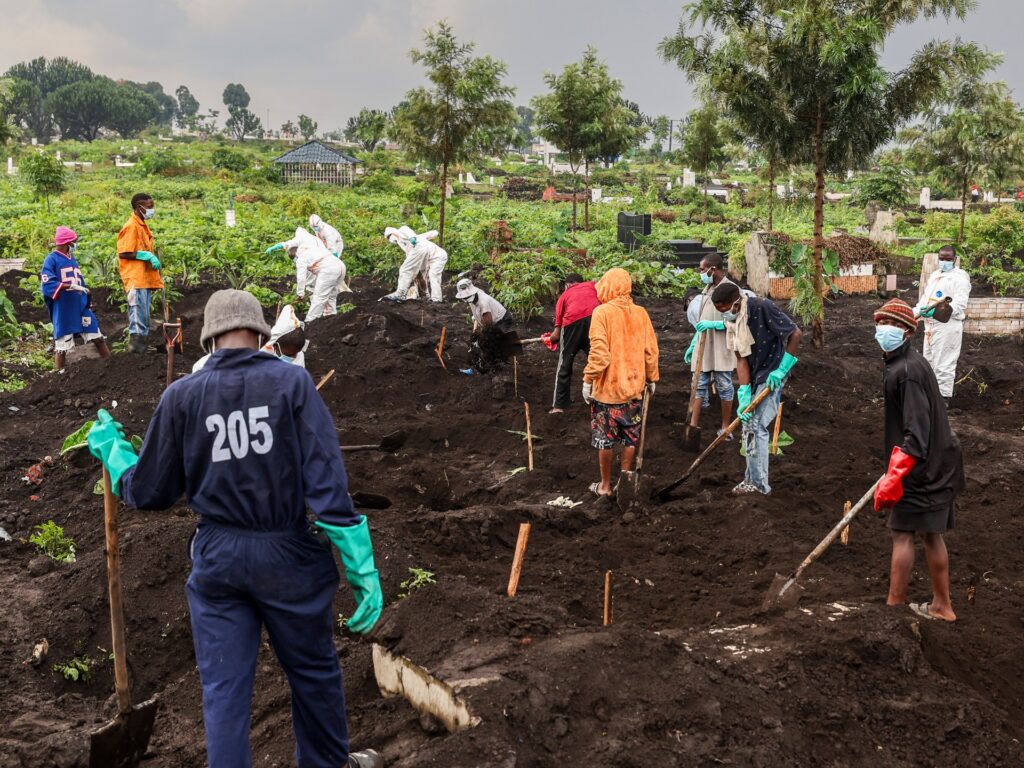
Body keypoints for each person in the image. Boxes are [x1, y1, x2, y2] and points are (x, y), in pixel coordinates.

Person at [86, 289, 384, 768]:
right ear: (263, 334)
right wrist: (360, 566)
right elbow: (327, 482)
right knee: (313, 673)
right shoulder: (293, 384)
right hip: (287, 554)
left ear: (208, 342)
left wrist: (116, 454)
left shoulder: (181, 396)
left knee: (224, 690)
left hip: (219, 559)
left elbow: (151, 491)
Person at [872, 298, 964, 622]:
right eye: (884, 323)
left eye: (896, 326)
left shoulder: (905, 371)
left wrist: (894, 475)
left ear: (909, 333)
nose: (888, 330)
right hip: (938, 461)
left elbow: (917, 434)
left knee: (902, 533)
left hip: (921, 467)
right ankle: (942, 606)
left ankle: (893, 611)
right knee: (930, 534)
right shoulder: (907, 363)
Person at [711, 281, 801, 495]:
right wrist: (743, 396)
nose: (724, 315)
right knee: (748, 424)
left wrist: (782, 369)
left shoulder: (762, 307)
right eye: (719, 311)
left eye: (724, 309)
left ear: (736, 302)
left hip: (773, 371)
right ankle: (750, 479)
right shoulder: (733, 323)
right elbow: (741, 359)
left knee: (758, 425)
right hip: (753, 374)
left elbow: (795, 333)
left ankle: (760, 486)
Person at [581, 268, 659, 498]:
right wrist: (651, 377)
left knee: (604, 439)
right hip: (634, 388)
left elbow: (600, 354)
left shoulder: (601, 313)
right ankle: (624, 484)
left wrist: (588, 379)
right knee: (630, 437)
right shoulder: (641, 313)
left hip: (608, 390)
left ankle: (605, 486)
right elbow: (650, 351)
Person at [40, 226, 110, 371]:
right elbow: (48, 283)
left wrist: (85, 297)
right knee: (62, 344)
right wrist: (69, 286)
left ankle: (110, 365)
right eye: (74, 242)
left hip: (79, 304)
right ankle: (59, 374)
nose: (75, 245)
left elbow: (79, 281)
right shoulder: (51, 260)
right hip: (64, 306)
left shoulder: (72, 259)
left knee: (96, 334)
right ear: (68, 243)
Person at [684, 254, 738, 439]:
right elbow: (701, 319)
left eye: (702, 269)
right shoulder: (707, 290)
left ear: (713, 269)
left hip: (722, 347)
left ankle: (725, 427)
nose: (701, 273)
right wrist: (693, 344)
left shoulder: (731, 290)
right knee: (698, 385)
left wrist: (715, 325)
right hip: (704, 346)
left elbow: (739, 322)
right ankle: (692, 426)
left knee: (724, 385)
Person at [914, 245, 971, 401]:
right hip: (930, 326)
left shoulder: (959, 278)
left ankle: (943, 399)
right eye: (942, 258)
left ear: (955, 260)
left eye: (948, 259)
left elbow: (959, 306)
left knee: (944, 364)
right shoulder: (935, 275)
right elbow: (925, 299)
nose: (944, 261)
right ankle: (930, 396)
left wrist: (938, 311)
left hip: (947, 326)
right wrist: (914, 313)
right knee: (929, 362)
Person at [116, 192, 164, 354]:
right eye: (150, 207)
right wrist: (147, 255)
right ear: (139, 207)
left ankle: (142, 348)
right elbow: (123, 252)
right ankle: (136, 350)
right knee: (137, 315)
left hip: (144, 278)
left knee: (144, 315)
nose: (152, 209)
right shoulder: (131, 226)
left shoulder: (141, 224)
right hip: (135, 278)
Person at [267, 228, 347, 322]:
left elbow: (301, 277)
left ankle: (310, 322)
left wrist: (300, 293)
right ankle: (330, 318)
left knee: (319, 298)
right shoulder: (313, 247)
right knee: (331, 295)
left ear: (296, 255)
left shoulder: (301, 258)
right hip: (340, 266)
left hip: (329, 270)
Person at [549, 273, 600, 414]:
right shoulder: (593, 286)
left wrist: (549, 339)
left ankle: (558, 406)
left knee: (565, 363)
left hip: (572, 324)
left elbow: (556, 334)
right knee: (598, 359)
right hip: (596, 320)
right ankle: (602, 401)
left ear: (567, 285)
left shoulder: (564, 296)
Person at [381, 226, 448, 303]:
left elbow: (408, 231)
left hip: (437, 255)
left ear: (393, 232)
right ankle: (429, 297)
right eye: (388, 238)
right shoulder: (403, 243)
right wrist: (435, 233)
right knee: (423, 276)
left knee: (406, 270)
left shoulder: (402, 231)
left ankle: (401, 294)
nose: (390, 238)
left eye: (390, 236)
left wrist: (412, 238)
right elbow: (426, 235)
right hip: (426, 256)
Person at [309, 214, 351, 294]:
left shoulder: (327, 231)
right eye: (313, 227)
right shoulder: (317, 229)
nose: (315, 228)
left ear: (319, 223)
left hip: (336, 245)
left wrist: (334, 256)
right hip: (326, 245)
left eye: (316, 226)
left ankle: (338, 284)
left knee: (333, 264)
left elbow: (332, 246)